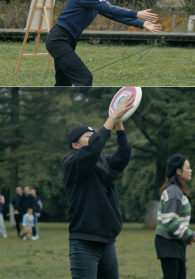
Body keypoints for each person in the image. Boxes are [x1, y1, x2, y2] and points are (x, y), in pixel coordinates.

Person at [45, 0, 161, 87]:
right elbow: (110, 8)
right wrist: (136, 13)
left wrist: (141, 23)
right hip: (58, 39)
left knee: (63, 83)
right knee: (85, 78)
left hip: (64, 39)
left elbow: (111, 13)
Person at [62, 97, 136, 279]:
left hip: (108, 242)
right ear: (75, 145)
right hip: (84, 242)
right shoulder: (71, 163)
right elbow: (93, 149)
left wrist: (119, 121)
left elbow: (123, 155)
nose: (94, 138)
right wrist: (112, 117)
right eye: (88, 136)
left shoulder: (102, 162)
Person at [155, 154, 195, 279]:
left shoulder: (176, 191)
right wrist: (190, 235)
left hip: (174, 242)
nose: (191, 170)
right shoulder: (174, 192)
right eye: (188, 168)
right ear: (178, 171)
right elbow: (170, 222)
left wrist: (185, 239)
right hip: (168, 243)